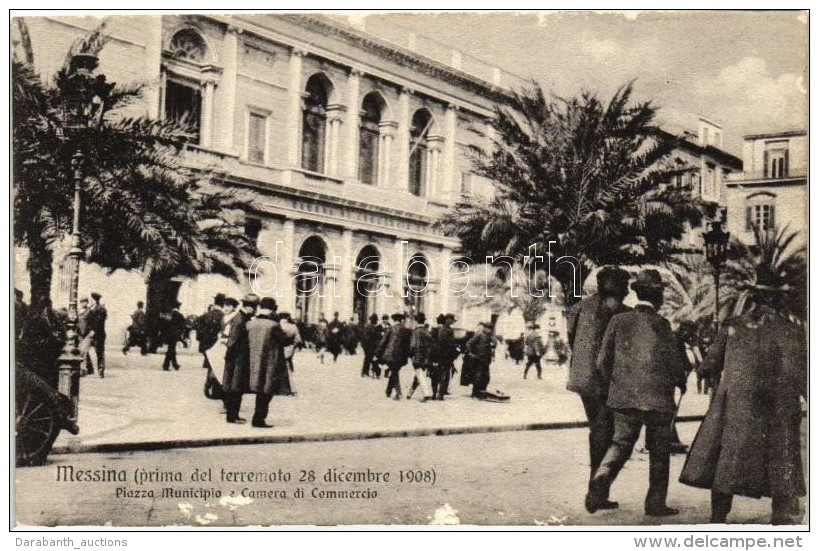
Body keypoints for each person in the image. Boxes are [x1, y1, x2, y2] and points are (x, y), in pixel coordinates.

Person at [679, 270, 807, 525]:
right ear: (778, 300)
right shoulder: (791, 331)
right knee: (781, 458)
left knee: (727, 460)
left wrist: (702, 368)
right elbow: (802, 373)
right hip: (777, 406)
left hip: (736, 405)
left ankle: (718, 517)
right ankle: (782, 519)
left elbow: (709, 365)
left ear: (754, 297)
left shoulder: (732, 326)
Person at [585, 269, 688, 517]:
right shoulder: (662, 325)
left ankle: (602, 476)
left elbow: (602, 362)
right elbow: (675, 363)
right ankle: (655, 504)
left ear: (637, 293)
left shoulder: (618, 321)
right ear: (658, 296)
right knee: (659, 452)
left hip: (624, 397)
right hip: (658, 400)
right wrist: (680, 381)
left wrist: (616, 385)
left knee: (620, 443)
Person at [566, 266, 631, 509]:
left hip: (583, 381)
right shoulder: (621, 312)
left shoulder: (579, 308)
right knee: (607, 437)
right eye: (624, 286)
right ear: (616, 287)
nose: (626, 291)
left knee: (600, 433)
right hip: (605, 383)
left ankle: (597, 493)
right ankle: (596, 494)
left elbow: (572, 339)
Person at [246, 297, 290, 428]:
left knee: (259, 389)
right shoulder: (273, 325)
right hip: (270, 362)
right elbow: (284, 341)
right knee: (266, 391)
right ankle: (258, 419)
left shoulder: (250, 324)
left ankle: (256, 418)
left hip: (253, 361)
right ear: (272, 310)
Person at [222, 294, 258, 424]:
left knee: (238, 388)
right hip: (237, 360)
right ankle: (232, 416)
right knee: (235, 388)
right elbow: (233, 340)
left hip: (238, 359)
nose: (256, 310)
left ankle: (234, 415)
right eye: (255, 307)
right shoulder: (241, 319)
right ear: (249, 307)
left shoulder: (242, 317)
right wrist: (231, 360)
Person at [376, 312, 411, 400]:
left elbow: (383, 342)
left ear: (394, 320)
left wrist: (377, 353)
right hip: (401, 356)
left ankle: (398, 393)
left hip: (390, 355)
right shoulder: (406, 330)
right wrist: (408, 356)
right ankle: (388, 391)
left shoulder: (390, 329)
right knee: (395, 372)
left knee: (394, 372)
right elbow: (408, 345)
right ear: (401, 320)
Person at [407, 313, 434, 402]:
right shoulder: (427, 331)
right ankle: (409, 393)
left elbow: (412, 345)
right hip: (427, 357)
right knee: (418, 375)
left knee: (420, 375)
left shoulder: (415, 332)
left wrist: (410, 354)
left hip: (418, 356)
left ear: (416, 321)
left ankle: (426, 394)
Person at [432, 313, 459, 400]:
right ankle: (440, 394)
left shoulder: (441, 329)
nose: (452, 321)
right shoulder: (447, 330)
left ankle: (435, 393)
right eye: (451, 320)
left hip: (439, 355)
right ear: (447, 319)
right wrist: (455, 348)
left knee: (438, 374)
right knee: (444, 374)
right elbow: (448, 343)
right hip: (445, 355)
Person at [465, 321, 495, 399]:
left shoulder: (490, 336)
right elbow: (469, 343)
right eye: (487, 328)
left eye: (490, 329)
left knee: (486, 377)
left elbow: (495, 344)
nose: (489, 330)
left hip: (486, 360)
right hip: (479, 359)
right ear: (484, 328)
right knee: (478, 377)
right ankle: (474, 393)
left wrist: (492, 337)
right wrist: (471, 353)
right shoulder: (479, 335)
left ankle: (482, 392)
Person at [196, 293, 226, 368]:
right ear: (223, 304)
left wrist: (200, 338)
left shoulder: (206, 315)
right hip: (215, 344)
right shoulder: (223, 315)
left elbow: (198, 327)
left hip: (205, 343)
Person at [87, 292, 108, 377]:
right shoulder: (92, 308)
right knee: (85, 349)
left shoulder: (101, 309)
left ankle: (101, 370)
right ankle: (89, 369)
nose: (90, 301)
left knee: (99, 352)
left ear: (95, 300)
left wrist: (94, 330)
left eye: (91, 299)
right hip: (92, 333)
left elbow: (99, 322)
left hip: (98, 334)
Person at [162, 301, 186, 371]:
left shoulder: (169, 315)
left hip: (168, 334)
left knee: (171, 349)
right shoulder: (180, 315)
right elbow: (182, 326)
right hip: (174, 335)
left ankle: (175, 365)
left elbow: (164, 325)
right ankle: (166, 365)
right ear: (178, 307)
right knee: (171, 350)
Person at [360, 313, 383, 378]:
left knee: (368, 359)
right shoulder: (370, 327)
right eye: (375, 320)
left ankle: (365, 372)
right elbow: (368, 337)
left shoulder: (370, 327)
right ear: (373, 320)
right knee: (369, 359)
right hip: (369, 346)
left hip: (369, 346)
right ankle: (365, 372)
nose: (376, 321)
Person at [77, 297, 95, 375]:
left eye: (85, 302)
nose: (83, 303)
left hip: (87, 334)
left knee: (83, 351)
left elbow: (94, 322)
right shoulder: (77, 311)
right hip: (79, 334)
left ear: (87, 303)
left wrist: (93, 331)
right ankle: (90, 369)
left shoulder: (90, 312)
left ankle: (83, 370)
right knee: (83, 351)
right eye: (82, 302)